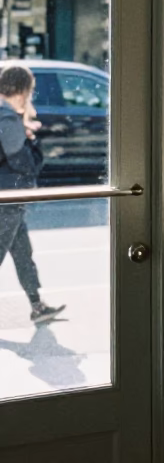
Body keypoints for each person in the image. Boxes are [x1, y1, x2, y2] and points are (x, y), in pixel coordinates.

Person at [0, 65, 64, 324]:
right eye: (30, 89)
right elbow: (23, 162)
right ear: (22, 89)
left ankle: (37, 306)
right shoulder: (7, 117)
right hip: (8, 198)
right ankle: (38, 306)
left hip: (9, 198)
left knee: (23, 252)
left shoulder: (7, 115)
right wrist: (32, 142)